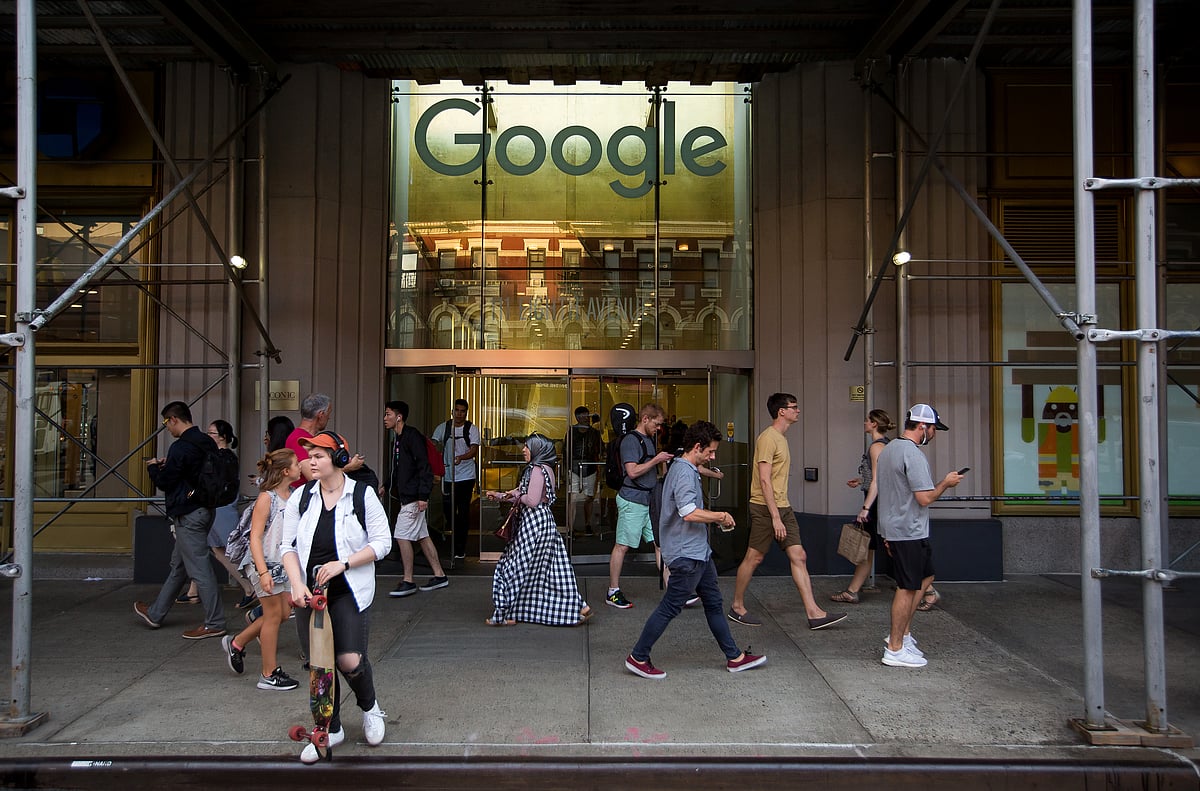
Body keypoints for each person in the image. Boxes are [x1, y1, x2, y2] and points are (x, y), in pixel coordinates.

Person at [624, 421, 765, 679]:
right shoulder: (684, 472)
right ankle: (638, 656)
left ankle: (734, 657)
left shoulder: (683, 467)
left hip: (698, 552)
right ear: (697, 447)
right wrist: (720, 516)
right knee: (670, 607)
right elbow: (688, 512)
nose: (713, 457)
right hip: (687, 554)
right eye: (710, 451)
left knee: (713, 603)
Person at [281, 431, 391, 762]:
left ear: (339, 459)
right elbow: (287, 546)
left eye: (319, 456)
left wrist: (343, 564)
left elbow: (382, 542)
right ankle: (330, 727)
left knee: (349, 660)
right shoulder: (301, 498)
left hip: (348, 589)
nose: (310, 462)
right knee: (320, 665)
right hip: (309, 592)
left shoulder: (362, 495)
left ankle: (370, 708)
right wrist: (296, 584)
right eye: (309, 456)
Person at [728, 393, 847, 631]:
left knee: (799, 556)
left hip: (783, 506)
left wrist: (781, 513)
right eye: (794, 407)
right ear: (781, 411)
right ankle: (737, 606)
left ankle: (814, 613)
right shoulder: (768, 438)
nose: (798, 410)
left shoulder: (781, 438)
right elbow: (764, 480)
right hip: (765, 508)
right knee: (754, 558)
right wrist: (775, 517)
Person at [877, 403, 963, 668]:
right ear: (923, 427)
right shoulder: (913, 455)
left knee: (926, 577)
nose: (935, 434)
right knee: (907, 587)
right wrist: (946, 483)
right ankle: (894, 648)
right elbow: (924, 498)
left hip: (895, 526)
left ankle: (903, 635)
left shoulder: (889, 449)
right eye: (934, 428)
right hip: (908, 529)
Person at [133, 401, 226, 640]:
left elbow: (165, 482)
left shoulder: (180, 447)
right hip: (206, 508)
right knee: (179, 565)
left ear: (174, 419)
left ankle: (215, 622)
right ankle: (156, 613)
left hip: (188, 513)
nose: (167, 427)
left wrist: (153, 468)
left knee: (200, 569)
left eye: (166, 422)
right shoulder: (206, 441)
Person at [484, 434, 590, 626]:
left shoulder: (536, 470)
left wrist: (516, 495)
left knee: (513, 566)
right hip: (545, 521)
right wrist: (500, 495)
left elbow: (531, 500)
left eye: (527, 446)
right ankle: (578, 605)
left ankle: (504, 612)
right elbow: (525, 495)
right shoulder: (546, 469)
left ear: (537, 449)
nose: (523, 450)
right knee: (553, 569)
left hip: (533, 523)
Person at [222, 448, 302, 690]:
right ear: (286, 471)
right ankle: (269, 673)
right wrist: (263, 571)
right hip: (264, 563)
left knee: (283, 614)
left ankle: (237, 643)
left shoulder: (294, 495)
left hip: (283, 563)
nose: (301, 466)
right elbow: (255, 537)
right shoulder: (267, 498)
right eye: (296, 463)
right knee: (273, 616)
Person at [606, 403, 674, 609]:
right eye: (657, 424)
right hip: (633, 501)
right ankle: (613, 591)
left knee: (659, 544)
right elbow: (633, 471)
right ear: (645, 419)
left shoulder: (648, 440)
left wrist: (662, 463)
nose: (659, 428)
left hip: (647, 501)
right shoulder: (631, 441)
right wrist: (657, 459)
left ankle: (674, 591)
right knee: (622, 545)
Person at [382, 400, 448, 597]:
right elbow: (399, 468)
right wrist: (386, 485)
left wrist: (423, 496)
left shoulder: (412, 437)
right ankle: (439, 575)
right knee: (422, 536)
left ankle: (408, 580)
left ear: (399, 417)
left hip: (413, 497)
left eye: (388, 414)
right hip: (410, 495)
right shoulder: (399, 439)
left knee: (402, 536)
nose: (385, 418)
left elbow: (424, 467)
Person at [833, 409, 895, 604]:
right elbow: (881, 476)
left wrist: (866, 508)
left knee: (889, 547)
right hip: (880, 501)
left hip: (876, 503)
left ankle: (927, 588)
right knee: (869, 547)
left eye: (867, 420)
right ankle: (852, 591)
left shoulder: (876, 447)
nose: (865, 423)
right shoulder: (886, 445)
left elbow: (877, 480)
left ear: (874, 424)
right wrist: (861, 480)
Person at [431, 398, 480, 560]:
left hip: (466, 476)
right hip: (448, 475)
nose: (459, 414)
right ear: (452, 412)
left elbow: (474, 450)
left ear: (466, 413)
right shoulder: (443, 428)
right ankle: (453, 539)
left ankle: (460, 548)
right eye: (457, 410)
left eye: (462, 411)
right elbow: (434, 444)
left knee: (463, 511)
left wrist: (461, 457)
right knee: (449, 510)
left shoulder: (471, 429)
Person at [286, 393, 366, 488]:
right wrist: (349, 467)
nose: (329, 418)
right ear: (321, 415)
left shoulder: (308, 437)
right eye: (328, 413)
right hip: (305, 494)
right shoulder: (298, 439)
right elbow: (313, 476)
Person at [565, 406, 603, 536]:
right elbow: (566, 450)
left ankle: (587, 524)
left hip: (590, 466)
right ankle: (570, 528)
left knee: (589, 497)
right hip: (575, 466)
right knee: (573, 497)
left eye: (587, 416)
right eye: (583, 416)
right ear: (577, 418)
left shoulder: (594, 433)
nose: (586, 418)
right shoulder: (572, 432)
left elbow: (600, 448)